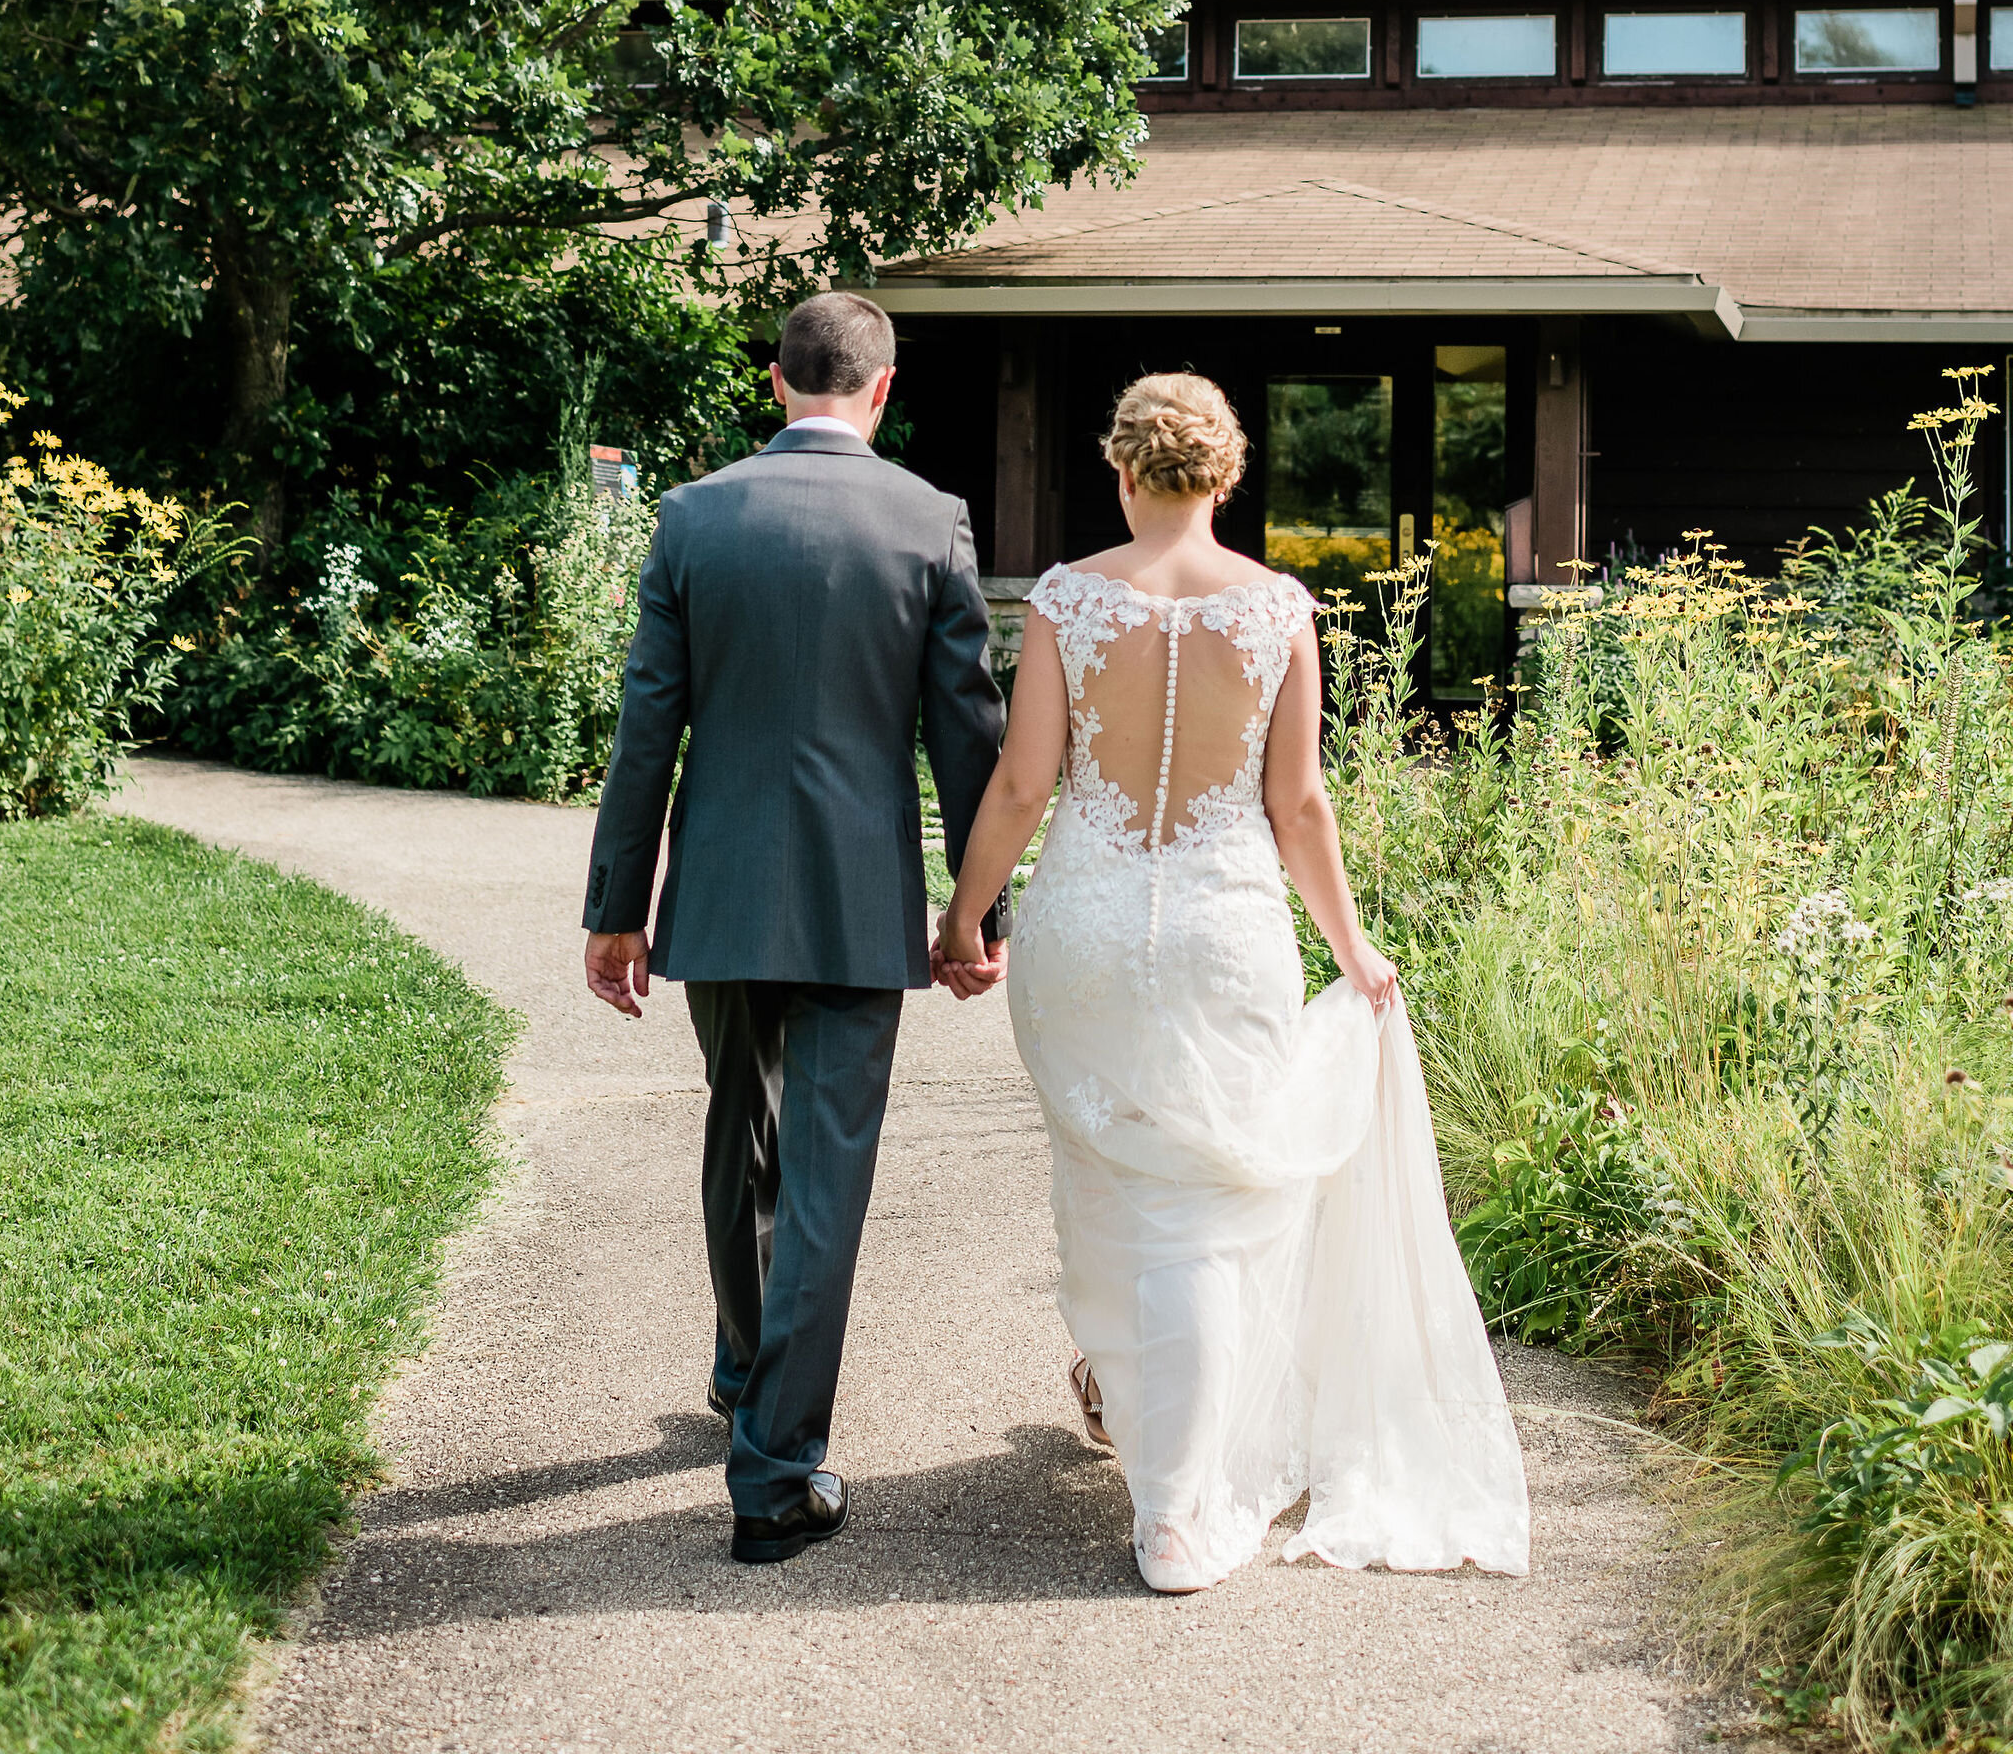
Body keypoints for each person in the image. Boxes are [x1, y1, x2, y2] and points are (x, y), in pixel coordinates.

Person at [936, 371, 1530, 1594]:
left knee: (1107, 1183)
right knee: (1207, 1208)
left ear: (1120, 469)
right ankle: (1172, 1506)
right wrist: (1351, 945)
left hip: (1088, 927)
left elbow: (1018, 786)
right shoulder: (1275, 610)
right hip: (1223, 929)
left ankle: (1136, 1420)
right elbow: (1295, 803)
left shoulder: (1063, 599)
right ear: (1226, 476)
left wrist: (961, 914)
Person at [581, 291, 1007, 1566]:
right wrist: (976, 909)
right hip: (852, 901)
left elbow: (645, 727)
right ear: (880, 391)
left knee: (738, 1123)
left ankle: (742, 1372)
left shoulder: (693, 515)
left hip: (715, 891)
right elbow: (965, 737)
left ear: (775, 382)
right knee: (825, 1171)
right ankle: (771, 1475)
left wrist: (616, 912)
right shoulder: (928, 522)